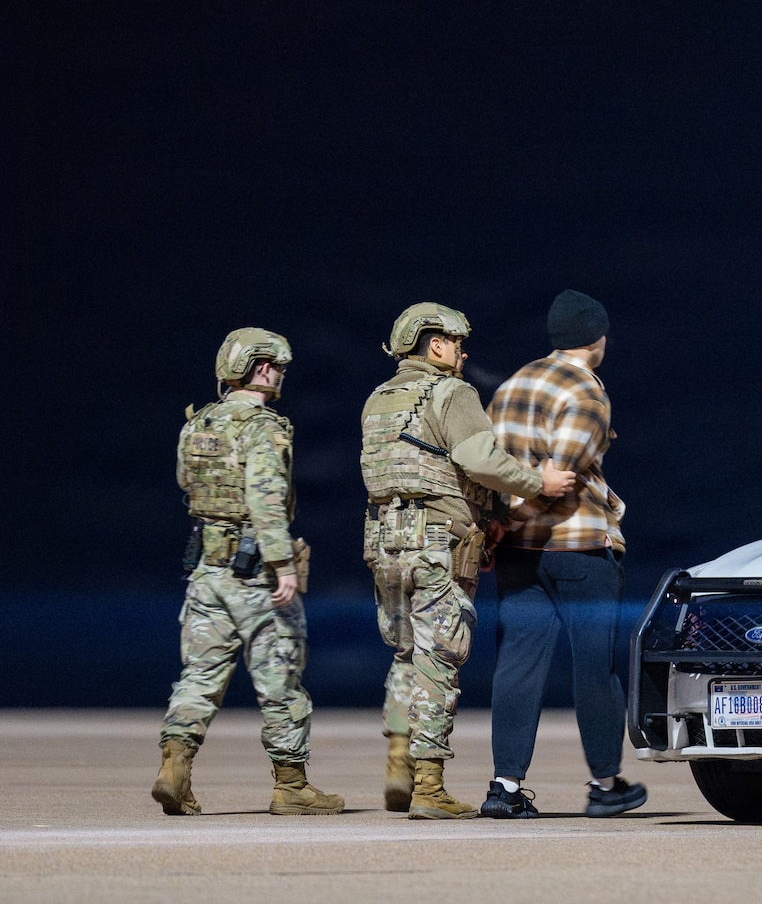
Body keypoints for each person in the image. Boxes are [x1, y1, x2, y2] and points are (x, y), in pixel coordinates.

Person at [360, 302, 578, 819]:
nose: (462, 352)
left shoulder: (379, 400)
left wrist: (491, 513)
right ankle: (429, 785)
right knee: (439, 658)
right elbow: (479, 460)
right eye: (456, 342)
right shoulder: (452, 392)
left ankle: (400, 758)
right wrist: (535, 484)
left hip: (385, 541)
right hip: (437, 541)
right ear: (435, 344)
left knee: (405, 654)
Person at [154, 328, 343, 816]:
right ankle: (292, 785)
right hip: (255, 572)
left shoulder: (198, 425)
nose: (279, 375)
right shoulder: (264, 426)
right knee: (280, 677)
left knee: (199, 674)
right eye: (276, 366)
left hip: (206, 570)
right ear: (260, 368)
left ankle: (174, 766)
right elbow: (265, 499)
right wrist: (282, 565)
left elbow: (184, 481)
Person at [478, 290, 647, 819]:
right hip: (578, 547)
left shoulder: (510, 387)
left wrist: (500, 524)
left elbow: (490, 467)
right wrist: (520, 510)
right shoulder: (587, 391)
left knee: (517, 665)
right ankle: (605, 784)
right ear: (597, 339)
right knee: (595, 668)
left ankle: (504, 787)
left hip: (518, 553)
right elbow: (561, 475)